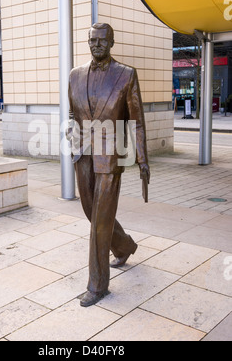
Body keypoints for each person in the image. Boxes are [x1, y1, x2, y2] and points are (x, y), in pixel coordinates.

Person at [67, 23, 150, 307]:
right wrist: (70, 129)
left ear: (112, 42)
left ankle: (97, 284)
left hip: (111, 155)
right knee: (92, 212)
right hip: (83, 154)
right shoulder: (75, 75)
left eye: (102, 41)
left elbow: (137, 121)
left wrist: (142, 158)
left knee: (100, 221)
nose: (97, 45)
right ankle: (125, 246)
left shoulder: (126, 75)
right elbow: (71, 112)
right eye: (93, 40)